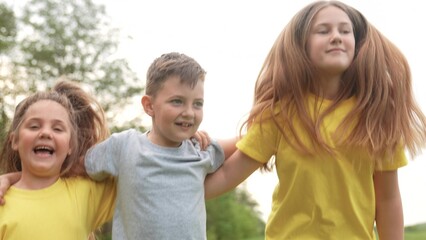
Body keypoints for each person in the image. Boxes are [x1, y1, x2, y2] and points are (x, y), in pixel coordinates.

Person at [204, 1, 426, 240]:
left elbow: (388, 199)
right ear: (302, 46)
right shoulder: (279, 116)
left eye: (345, 30)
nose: (336, 37)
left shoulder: (374, 118)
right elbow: (228, 175)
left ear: (357, 44)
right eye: (323, 31)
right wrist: (172, 183)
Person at [83, 52, 236, 239]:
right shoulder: (125, 146)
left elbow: (240, 145)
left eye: (197, 104)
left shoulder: (197, 149)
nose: (189, 112)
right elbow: (79, 165)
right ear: (149, 106)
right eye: (177, 101)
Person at [0, 80, 116, 239]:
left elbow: (138, 163)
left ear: (70, 146)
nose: (46, 133)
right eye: (34, 126)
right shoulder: (2, 203)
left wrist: (83, 164)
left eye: (58, 128)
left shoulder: (85, 192)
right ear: (15, 140)